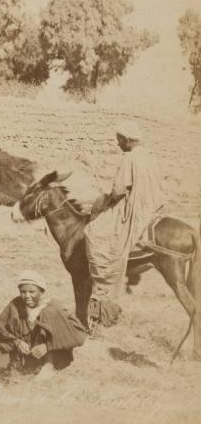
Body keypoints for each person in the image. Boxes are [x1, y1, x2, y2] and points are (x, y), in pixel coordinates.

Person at [84, 120, 164, 327]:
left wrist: (106, 198)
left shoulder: (129, 158)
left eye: (119, 140)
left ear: (127, 140)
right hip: (152, 205)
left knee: (95, 233)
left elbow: (119, 189)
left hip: (134, 207)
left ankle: (103, 283)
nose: (118, 144)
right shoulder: (149, 156)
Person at [0, 270, 86, 376]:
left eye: (32, 292)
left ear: (41, 291)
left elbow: (78, 335)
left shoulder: (54, 306)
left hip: (48, 355)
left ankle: (47, 368)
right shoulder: (16, 304)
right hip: (21, 353)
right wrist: (16, 341)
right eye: (23, 292)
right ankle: (11, 366)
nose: (27, 296)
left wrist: (47, 346)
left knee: (49, 313)